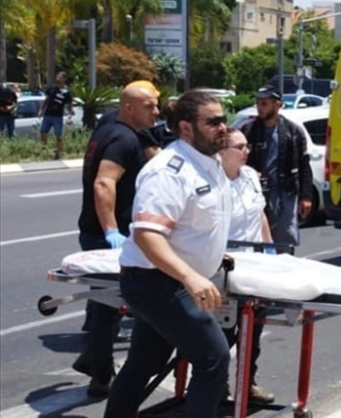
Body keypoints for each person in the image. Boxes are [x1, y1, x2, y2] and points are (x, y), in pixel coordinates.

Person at [103, 90, 232, 418]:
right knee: (213, 358)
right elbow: (148, 235)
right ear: (186, 128)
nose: (223, 127)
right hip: (158, 282)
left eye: (224, 120)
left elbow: (197, 223)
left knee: (144, 362)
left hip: (169, 280)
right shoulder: (169, 171)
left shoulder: (210, 163)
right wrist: (191, 276)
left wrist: (214, 253)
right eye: (213, 122)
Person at [72, 81, 160, 397]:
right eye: (149, 106)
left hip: (97, 231)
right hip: (109, 236)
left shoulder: (108, 132)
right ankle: (100, 374)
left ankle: (91, 360)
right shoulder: (124, 139)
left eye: (156, 105)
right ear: (128, 107)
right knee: (109, 305)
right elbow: (103, 184)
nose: (156, 111)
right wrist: (111, 230)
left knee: (105, 302)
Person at [219, 127, 276, 403]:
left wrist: (270, 248)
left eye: (247, 146)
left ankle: (248, 382)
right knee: (223, 331)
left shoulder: (251, 176)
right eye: (239, 147)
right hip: (224, 266)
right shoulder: (214, 181)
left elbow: (260, 215)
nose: (246, 151)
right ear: (222, 151)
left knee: (254, 327)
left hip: (255, 263)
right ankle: (216, 385)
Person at [238, 86, 314, 247]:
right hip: (254, 193)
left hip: (285, 193)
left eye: (264, 103)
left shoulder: (293, 131)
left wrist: (306, 196)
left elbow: (304, 165)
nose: (259, 107)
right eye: (258, 103)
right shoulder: (247, 130)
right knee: (256, 237)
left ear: (278, 105)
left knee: (285, 239)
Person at [39, 71, 73, 159]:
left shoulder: (67, 92)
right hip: (48, 115)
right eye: (57, 76)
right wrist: (41, 110)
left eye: (60, 77)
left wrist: (69, 116)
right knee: (43, 132)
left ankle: (60, 153)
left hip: (57, 116)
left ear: (64, 79)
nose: (58, 78)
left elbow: (70, 105)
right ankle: (44, 151)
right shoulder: (52, 88)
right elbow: (46, 100)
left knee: (58, 135)